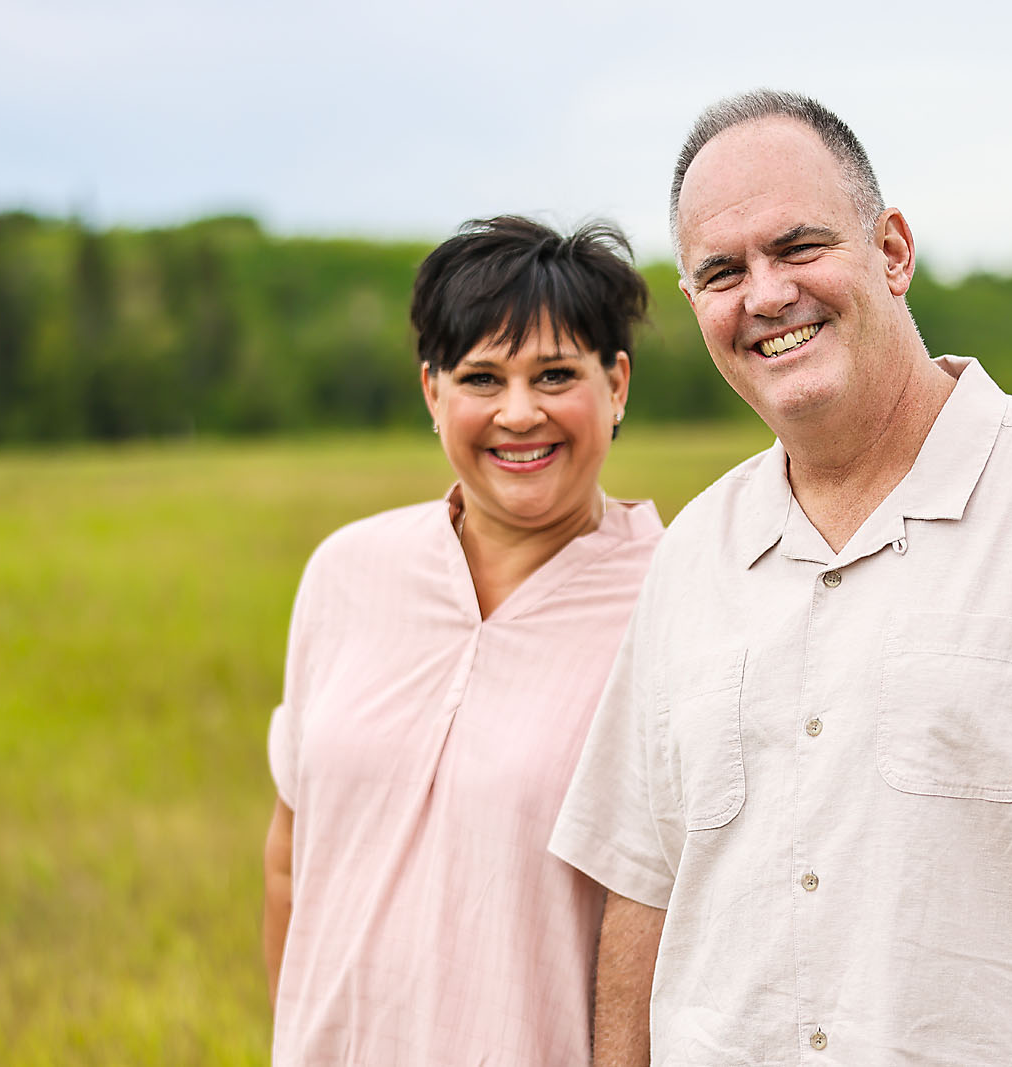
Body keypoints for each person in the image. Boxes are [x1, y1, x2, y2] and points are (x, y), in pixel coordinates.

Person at [549, 90, 1012, 1066]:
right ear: (696, 306)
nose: (765, 294)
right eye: (722, 271)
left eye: (798, 246)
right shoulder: (692, 556)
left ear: (892, 251)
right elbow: (644, 887)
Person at [262, 215, 663, 1065]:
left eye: (555, 374)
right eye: (482, 377)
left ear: (617, 382)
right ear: (432, 392)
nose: (519, 413)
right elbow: (289, 862)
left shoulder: (673, 601)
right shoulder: (348, 571)